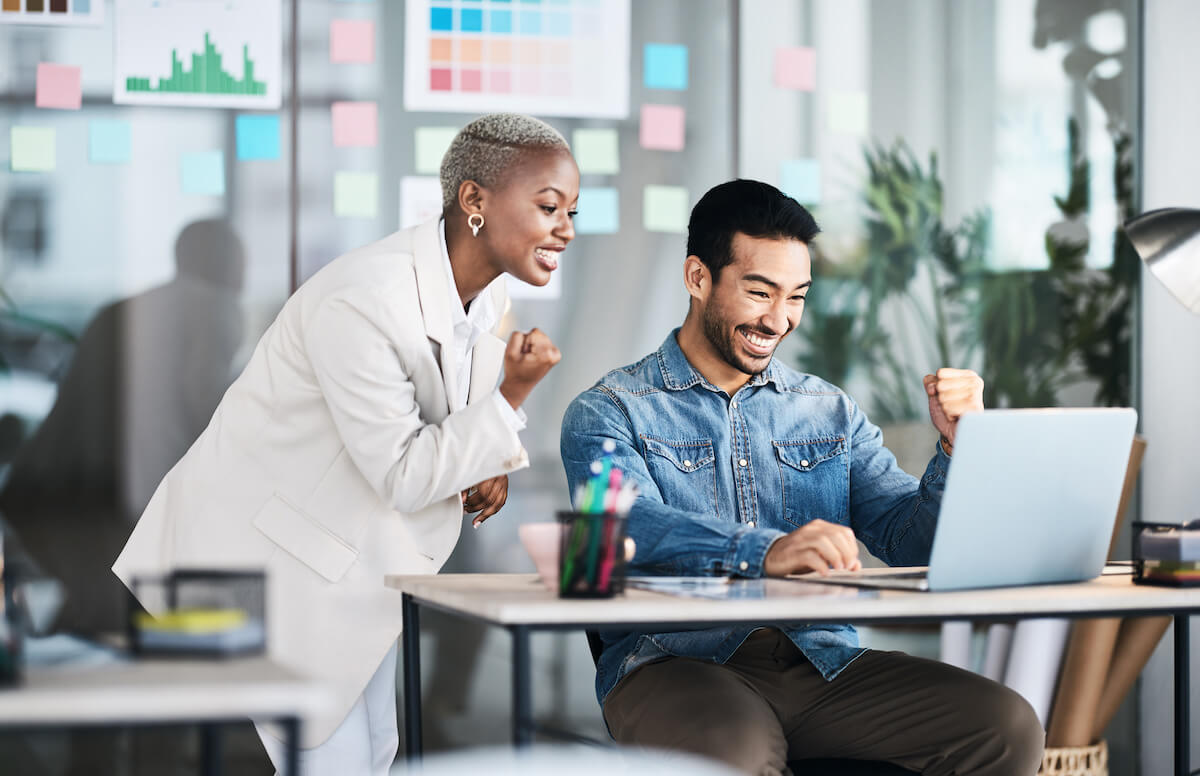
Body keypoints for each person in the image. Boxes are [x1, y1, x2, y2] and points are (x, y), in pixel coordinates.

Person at [114, 113, 579, 775]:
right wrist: (511, 400)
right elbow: (403, 472)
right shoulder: (366, 299)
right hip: (263, 568)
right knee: (328, 762)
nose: (566, 226)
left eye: (572, 210)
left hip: (347, 565)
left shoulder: (480, 298)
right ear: (474, 200)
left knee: (369, 756)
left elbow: (447, 418)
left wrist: (488, 453)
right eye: (548, 206)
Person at [559, 179, 1044, 775]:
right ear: (697, 278)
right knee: (736, 753)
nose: (779, 319)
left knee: (1005, 727)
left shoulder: (827, 410)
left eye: (796, 296)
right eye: (760, 292)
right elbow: (619, 525)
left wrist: (955, 445)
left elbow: (910, 540)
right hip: (673, 663)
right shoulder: (609, 408)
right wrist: (765, 551)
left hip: (821, 663)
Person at [1, 218, 245, 637]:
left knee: (100, 615)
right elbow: (210, 411)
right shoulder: (214, 308)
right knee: (137, 620)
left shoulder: (124, 309)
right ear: (230, 263)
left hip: (44, 492)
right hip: (106, 501)